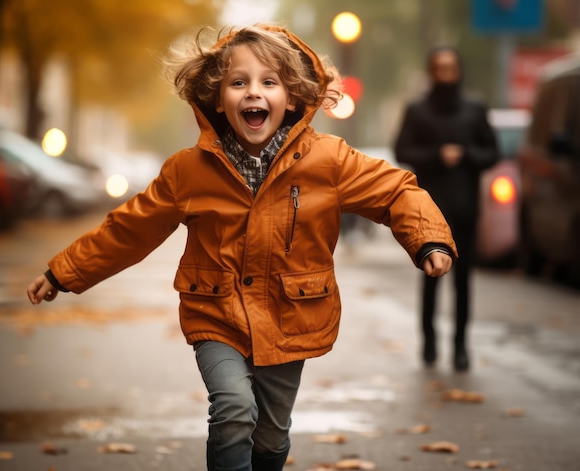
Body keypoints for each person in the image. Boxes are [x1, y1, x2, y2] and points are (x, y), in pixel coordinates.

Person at [27, 25, 457, 471]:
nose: (254, 92)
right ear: (217, 98)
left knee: (270, 437)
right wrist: (64, 272)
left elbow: (395, 191)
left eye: (269, 82)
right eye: (239, 82)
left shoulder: (327, 161)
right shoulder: (188, 171)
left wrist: (427, 239)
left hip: (292, 317)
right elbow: (129, 229)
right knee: (233, 410)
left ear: (292, 98)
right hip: (216, 314)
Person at [393, 45, 500, 372]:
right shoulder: (418, 110)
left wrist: (466, 156)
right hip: (429, 211)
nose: (446, 73)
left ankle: (460, 347)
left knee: (463, 280)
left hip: (466, 207)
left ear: (458, 70)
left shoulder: (474, 109)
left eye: (451, 67)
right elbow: (402, 149)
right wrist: (437, 156)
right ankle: (428, 342)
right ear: (432, 71)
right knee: (430, 277)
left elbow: (491, 153)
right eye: (439, 67)